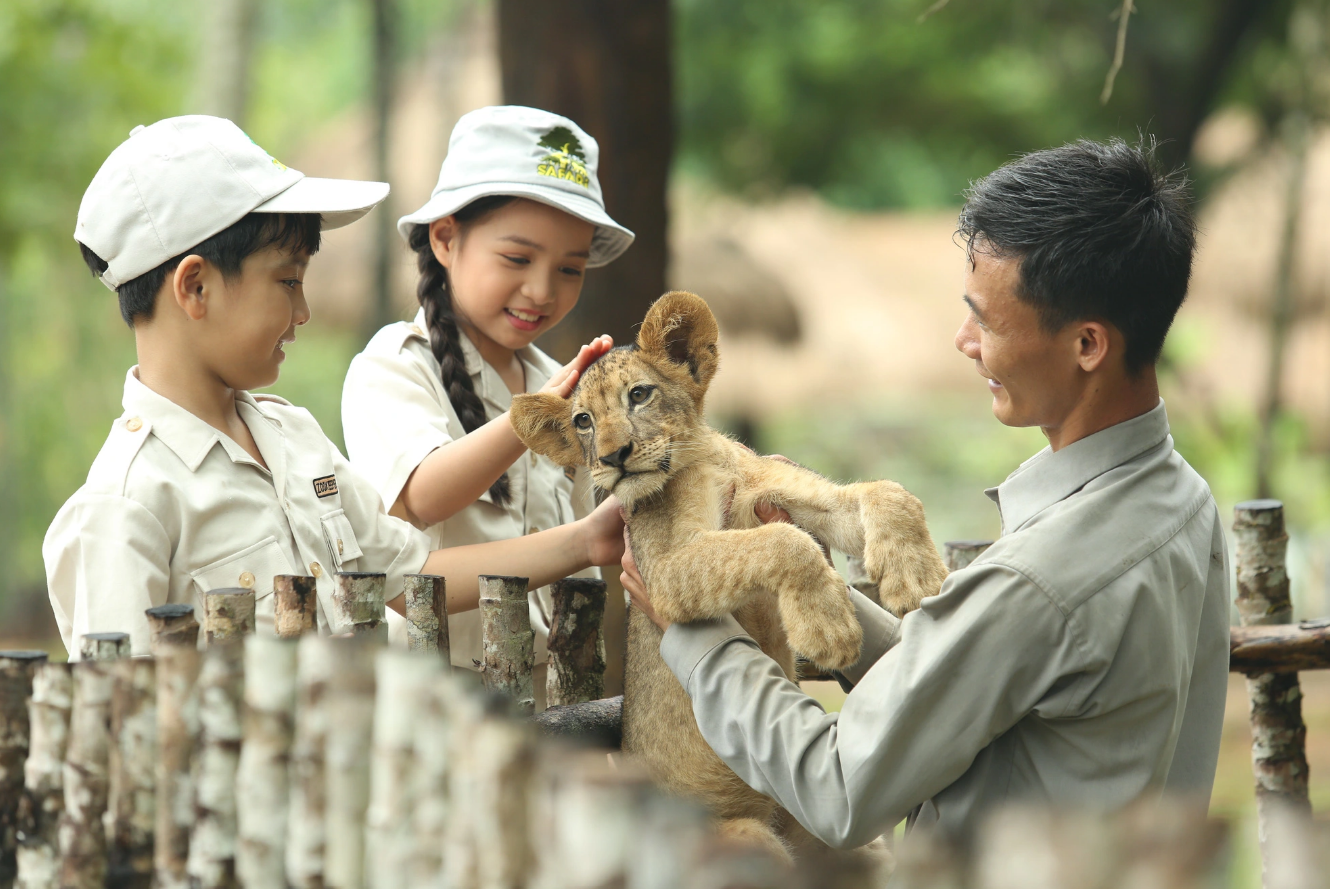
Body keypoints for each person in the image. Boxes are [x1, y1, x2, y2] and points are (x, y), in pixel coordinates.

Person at [621, 138, 1230, 845]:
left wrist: (700, 639)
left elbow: (840, 786)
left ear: (1087, 345)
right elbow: (967, 682)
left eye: (987, 319)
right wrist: (809, 579)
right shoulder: (1183, 501)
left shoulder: (1039, 583)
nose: (963, 340)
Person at [43, 115, 626, 658]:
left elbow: (413, 577)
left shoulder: (294, 439)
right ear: (195, 287)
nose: (304, 311)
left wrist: (585, 542)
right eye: (287, 281)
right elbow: (118, 724)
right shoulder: (125, 507)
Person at [339, 106, 634, 678]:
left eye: (570, 269)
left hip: (548, 711)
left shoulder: (560, 381)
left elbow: (577, 565)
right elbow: (421, 496)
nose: (542, 289)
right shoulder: (395, 369)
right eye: (517, 258)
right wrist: (534, 417)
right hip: (431, 711)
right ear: (446, 239)